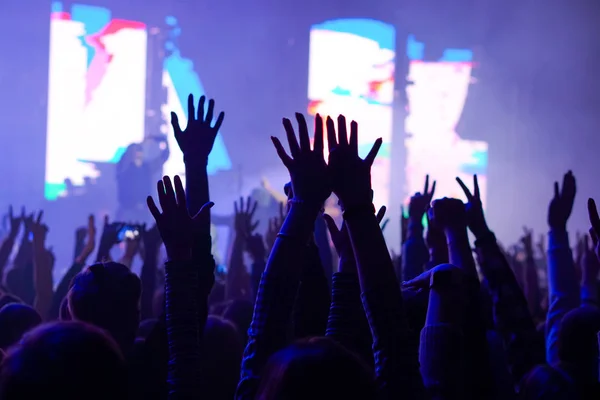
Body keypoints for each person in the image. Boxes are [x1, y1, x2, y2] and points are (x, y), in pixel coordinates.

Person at [116, 136, 169, 223]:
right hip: (128, 211)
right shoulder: (125, 169)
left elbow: (164, 156)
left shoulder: (147, 168)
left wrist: (162, 140)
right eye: (135, 151)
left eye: (139, 150)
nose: (138, 153)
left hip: (144, 211)